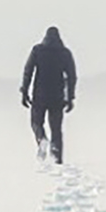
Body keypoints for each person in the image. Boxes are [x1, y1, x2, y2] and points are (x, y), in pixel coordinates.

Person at [22, 24, 77, 163]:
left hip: (39, 95)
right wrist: (70, 97)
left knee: (36, 122)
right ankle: (57, 157)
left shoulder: (38, 50)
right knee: (56, 128)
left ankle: (41, 139)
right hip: (57, 96)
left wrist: (24, 91)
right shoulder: (65, 53)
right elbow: (72, 76)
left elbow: (28, 71)